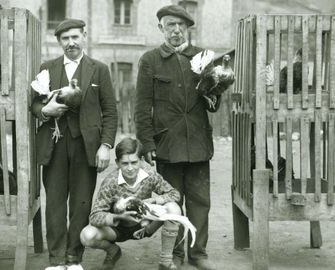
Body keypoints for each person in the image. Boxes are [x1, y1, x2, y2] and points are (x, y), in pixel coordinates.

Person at [134, 5, 219, 270]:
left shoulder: (203, 59)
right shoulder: (150, 60)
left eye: (181, 25)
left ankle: (198, 253)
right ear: (161, 28)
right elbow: (141, 106)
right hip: (166, 144)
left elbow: (214, 104)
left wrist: (214, 96)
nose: (176, 30)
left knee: (200, 201)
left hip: (198, 143)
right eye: (170, 25)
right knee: (172, 201)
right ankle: (175, 254)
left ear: (188, 28)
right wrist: (147, 143)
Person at [31, 19, 118, 270]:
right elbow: (34, 103)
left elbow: (110, 111)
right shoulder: (47, 68)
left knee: (81, 203)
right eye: (65, 38)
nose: (71, 42)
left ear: (84, 37)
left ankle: (73, 258)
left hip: (86, 145)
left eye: (75, 37)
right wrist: (45, 110)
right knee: (55, 203)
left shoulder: (99, 69)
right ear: (59, 42)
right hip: (54, 144)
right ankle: (57, 260)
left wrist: (106, 145)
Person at [80, 137, 182, 270]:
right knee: (87, 235)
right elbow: (94, 216)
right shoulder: (111, 182)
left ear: (141, 160)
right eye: (125, 163)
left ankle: (166, 261)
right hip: (117, 229)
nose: (130, 168)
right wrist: (118, 217)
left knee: (173, 208)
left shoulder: (150, 175)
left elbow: (175, 194)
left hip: (145, 224)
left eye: (134, 162)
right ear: (117, 163)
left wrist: (154, 200)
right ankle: (113, 251)